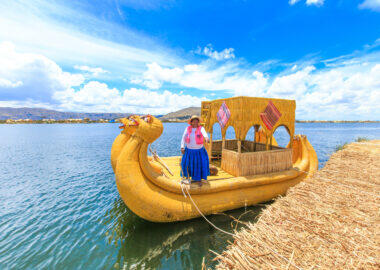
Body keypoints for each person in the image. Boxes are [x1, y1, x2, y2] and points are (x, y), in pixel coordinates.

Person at [180, 115, 210, 185]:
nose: (195, 123)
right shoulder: (187, 129)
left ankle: (198, 180)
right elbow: (183, 138)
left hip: (199, 151)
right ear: (191, 122)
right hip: (189, 151)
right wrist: (182, 147)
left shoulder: (201, 128)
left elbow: (205, 134)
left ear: (198, 122)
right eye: (194, 121)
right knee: (187, 164)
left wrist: (206, 138)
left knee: (198, 165)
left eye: (197, 121)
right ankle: (187, 178)